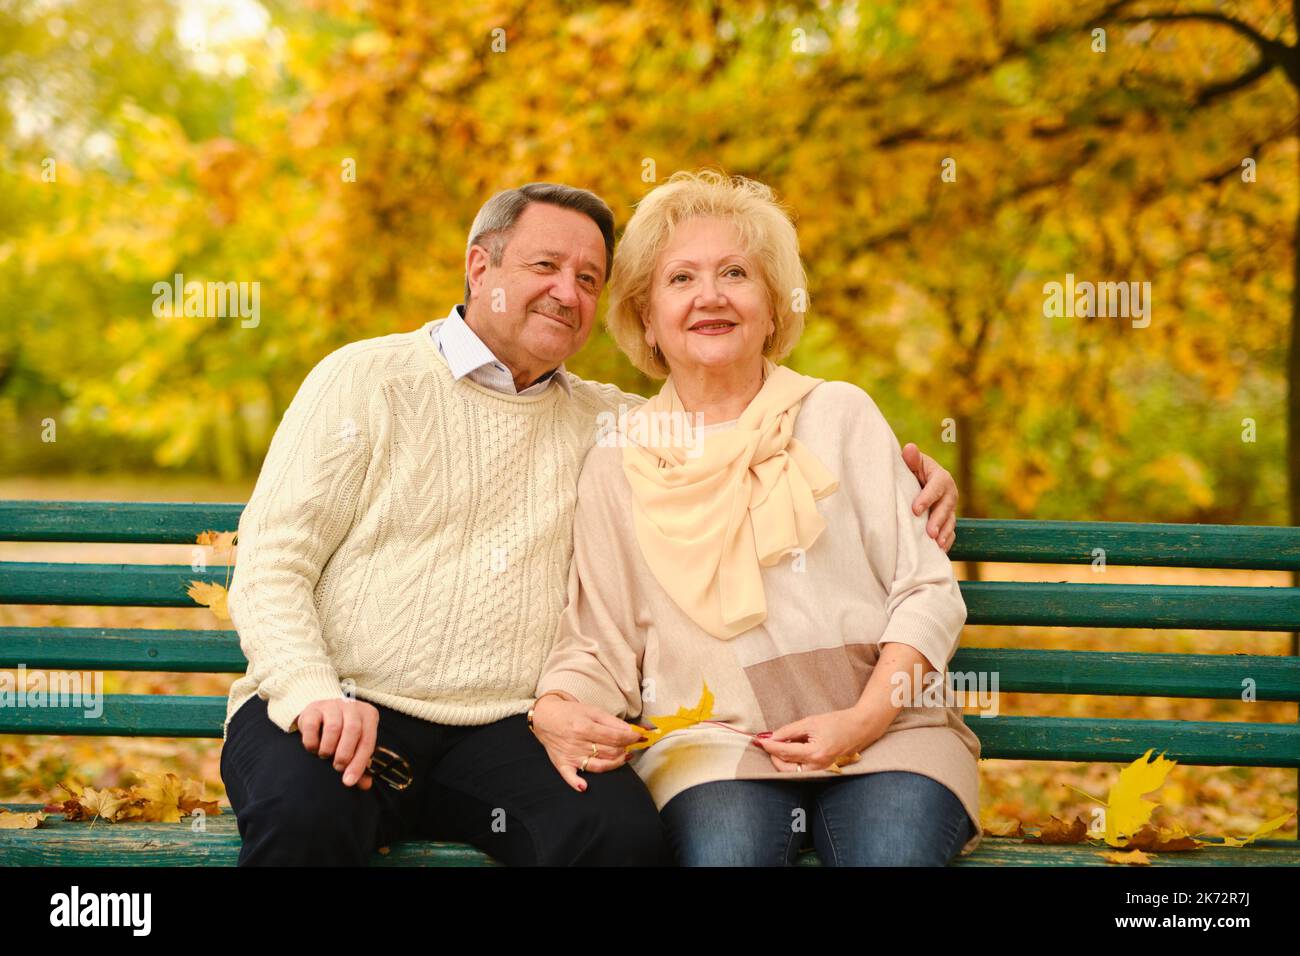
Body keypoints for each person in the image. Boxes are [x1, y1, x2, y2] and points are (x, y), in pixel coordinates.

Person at [220, 180, 961, 865]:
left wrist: (915, 479)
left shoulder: (609, 424)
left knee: (616, 835)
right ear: (480, 268)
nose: (565, 292)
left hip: (497, 733)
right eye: (546, 265)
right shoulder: (366, 379)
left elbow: (731, 427)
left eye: (586, 278)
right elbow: (272, 561)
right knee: (306, 821)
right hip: (343, 703)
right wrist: (311, 689)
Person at [532, 170, 981, 866]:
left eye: (735, 273)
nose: (709, 296)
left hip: (889, 732)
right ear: (646, 317)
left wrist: (863, 719)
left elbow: (925, 591)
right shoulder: (618, 460)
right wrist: (559, 705)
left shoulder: (840, 415)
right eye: (680, 279)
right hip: (711, 745)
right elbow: (601, 641)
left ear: (774, 308)